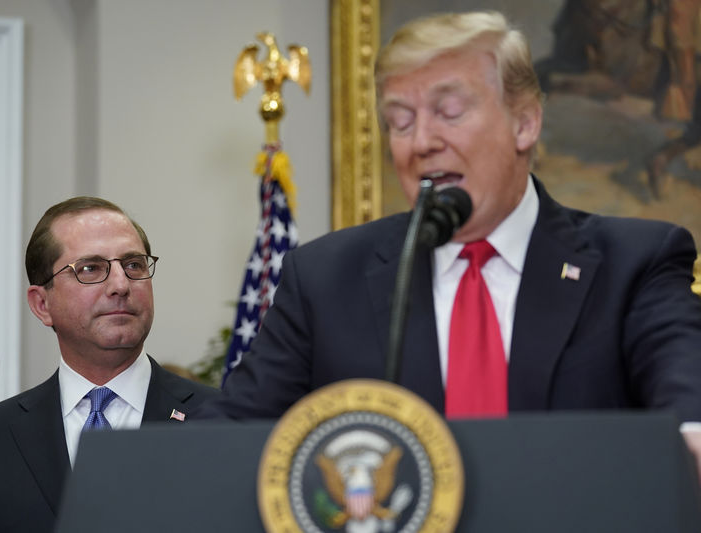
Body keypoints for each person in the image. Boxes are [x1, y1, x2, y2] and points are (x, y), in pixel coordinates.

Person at [197, 11, 701, 470]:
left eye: (450, 111)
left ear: (525, 122)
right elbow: (223, 445)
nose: (422, 142)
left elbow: (688, 407)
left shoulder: (634, 263)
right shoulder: (328, 278)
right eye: (400, 121)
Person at [0, 197, 219, 533]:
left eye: (134, 265)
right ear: (42, 304)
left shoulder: (225, 421)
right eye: (90, 269)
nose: (120, 285)